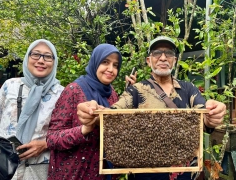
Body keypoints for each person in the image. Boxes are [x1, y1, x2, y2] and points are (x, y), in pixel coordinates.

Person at [77, 36, 227, 180]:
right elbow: (112, 114)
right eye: (157, 53)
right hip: (144, 175)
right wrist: (95, 114)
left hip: (183, 174)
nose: (163, 58)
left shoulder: (189, 89)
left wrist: (213, 115)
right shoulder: (135, 90)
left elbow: (205, 117)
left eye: (168, 53)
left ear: (174, 60)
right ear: (149, 61)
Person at [46, 43, 136, 179]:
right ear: (95, 61)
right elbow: (52, 139)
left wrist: (128, 96)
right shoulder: (74, 90)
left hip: (101, 174)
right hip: (73, 174)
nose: (111, 69)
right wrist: (84, 129)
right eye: (105, 62)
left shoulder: (112, 94)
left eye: (115, 65)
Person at [0, 39, 64, 179]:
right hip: (3, 165)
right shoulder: (10, 86)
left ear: (55, 61)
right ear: (28, 57)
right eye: (36, 54)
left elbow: (66, 134)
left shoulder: (61, 94)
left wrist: (46, 144)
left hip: (39, 169)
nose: (41, 60)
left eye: (47, 56)